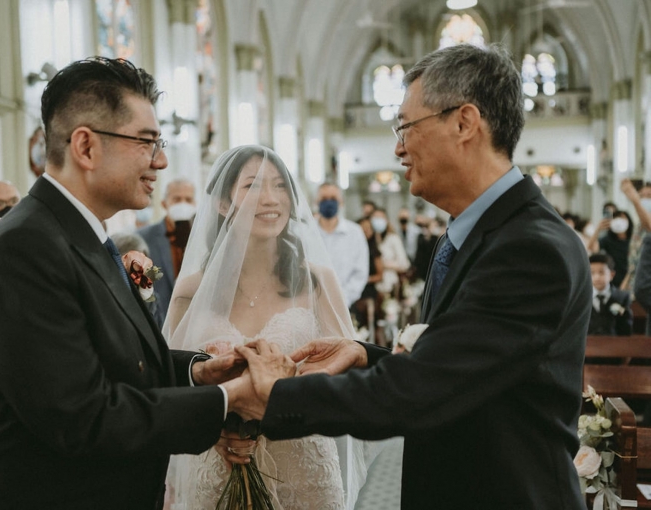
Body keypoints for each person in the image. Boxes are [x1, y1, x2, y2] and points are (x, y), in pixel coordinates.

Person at [228, 43, 591, 509]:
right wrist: (364, 355)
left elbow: (420, 392)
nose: (397, 148)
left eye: (405, 127)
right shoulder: (469, 234)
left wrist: (279, 395)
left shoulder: (529, 249)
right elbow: (458, 366)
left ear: (464, 123)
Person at [0, 57, 261, 509]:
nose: (161, 160)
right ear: (86, 147)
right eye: (146, 142)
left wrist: (198, 372)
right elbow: (83, 418)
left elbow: (115, 360)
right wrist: (226, 398)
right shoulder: (23, 251)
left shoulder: (83, 233)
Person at [164, 145, 368, 510]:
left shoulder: (317, 281)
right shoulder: (193, 290)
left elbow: (347, 372)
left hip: (304, 464)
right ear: (223, 204)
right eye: (253, 186)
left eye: (280, 186)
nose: (271, 199)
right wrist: (214, 429)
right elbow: (172, 380)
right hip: (220, 462)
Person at [138, 178, 196, 326]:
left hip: (195, 323)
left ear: (195, 204)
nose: (183, 204)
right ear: (164, 203)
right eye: (177, 199)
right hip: (160, 322)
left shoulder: (204, 237)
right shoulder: (144, 237)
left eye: (188, 199)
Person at [315, 182, 369, 309]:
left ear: (341, 202)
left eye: (333, 199)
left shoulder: (354, 232)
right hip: (310, 304)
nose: (329, 202)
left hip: (345, 304)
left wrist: (342, 299)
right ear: (316, 202)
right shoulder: (305, 231)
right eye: (324, 199)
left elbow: (360, 272)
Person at [587, 252, 632, 336]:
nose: (597, 277)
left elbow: (626, 326)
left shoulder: (622, 297)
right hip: (589, 345)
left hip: (615, 344)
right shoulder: (583, 297)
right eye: (592, 273)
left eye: (601, 272)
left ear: (611, 274)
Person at [589, 209, 633, 288]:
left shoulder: (634, 240)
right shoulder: (608, 240)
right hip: (612, 279)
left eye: (622, 218)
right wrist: (598, 229)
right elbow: (591, 248)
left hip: (630, 280)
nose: (619, 221)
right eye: (616, 218)